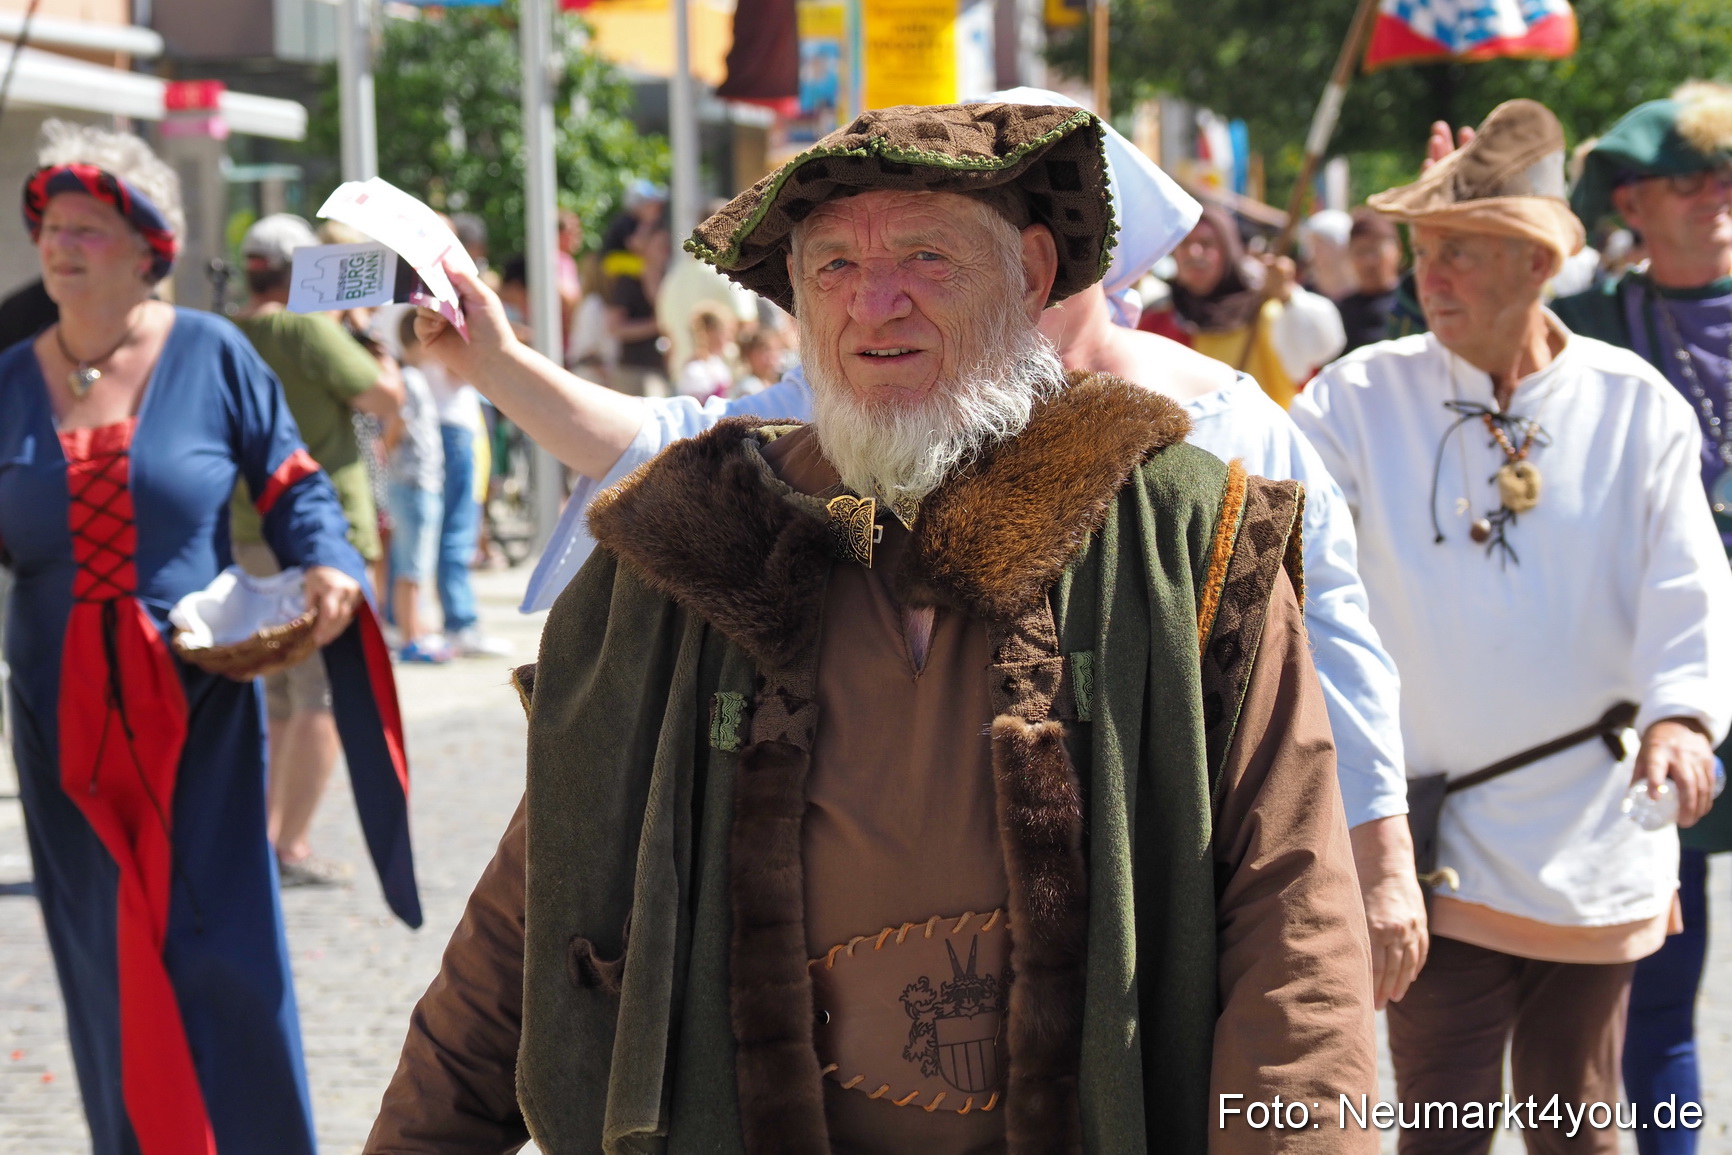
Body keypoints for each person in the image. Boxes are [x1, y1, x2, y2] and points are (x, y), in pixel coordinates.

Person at [371, 100, 1377, 1153]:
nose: (874, 304)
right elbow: (529, 917)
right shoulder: (696, 543)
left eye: (924, 257)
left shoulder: (1182, 538)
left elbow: (1293, 922)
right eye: (832, 270)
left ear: (1033, 274)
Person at [1290, 100, 1732, 1154]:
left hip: (1595, 821)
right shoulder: (1355, 399)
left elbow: (1689, 582)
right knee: (1441, 1113)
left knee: (1574, 1119)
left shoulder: (1635, 403)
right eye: (1424, 252)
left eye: (1463, 254)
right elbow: (1278, 543)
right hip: (1432, 838)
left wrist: (1683, 717)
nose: (1430, 278)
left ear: (1537, 264)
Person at [0, 121, 419, 1155]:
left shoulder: (211, 353)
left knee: (223, 942)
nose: (65, 244)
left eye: (91, 227)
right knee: (104, 951)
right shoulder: (7, 376)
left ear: (150, 246)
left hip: (194, 697)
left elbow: (294, 487)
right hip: (60, 714)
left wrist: (328, 564)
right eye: (53, 225)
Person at [1554, 80, 1732, 1155]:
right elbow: (1439, 334)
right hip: (1661, 665)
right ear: (1630, 199)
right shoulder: (1583, 322)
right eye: (1690, 178)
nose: (1717, 193)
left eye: (1727, 175)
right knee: (1657, 985)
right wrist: (1455, 212)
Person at [230, 212, 406, 885]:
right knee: (323, 694)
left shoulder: (233, 331)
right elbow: (383, 395)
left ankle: (264, 837)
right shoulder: (304, 328)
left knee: (276, 691)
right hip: (320, 533)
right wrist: (366, 340)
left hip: (251, 530)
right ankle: (289, 844)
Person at [1142, 204, 1346, 408]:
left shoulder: (1267, 311)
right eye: (1185, 244)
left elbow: (1323, 348)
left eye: (1207, 243)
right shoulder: (1157, 320)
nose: (1194, 253)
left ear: (1228, 249)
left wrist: (1288, 297)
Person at [387, 313, 451, 664]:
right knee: (412, 565)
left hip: (422, 481)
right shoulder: (409, 378)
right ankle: (411, 636)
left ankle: (417, 630)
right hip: (412, 482)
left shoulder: (415, 377)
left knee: (417, 563)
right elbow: (397, 423)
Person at [1337, 207, 1404, 353]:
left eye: (1375, 250)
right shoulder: (1341, 312)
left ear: (1397, 249)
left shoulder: (1412, 303)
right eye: (1360, 251)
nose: (1368, 261)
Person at [676, 299, 737, 400]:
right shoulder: (694, 370)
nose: (730, 338)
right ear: (710, 332)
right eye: (725, 332)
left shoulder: (716, 362)